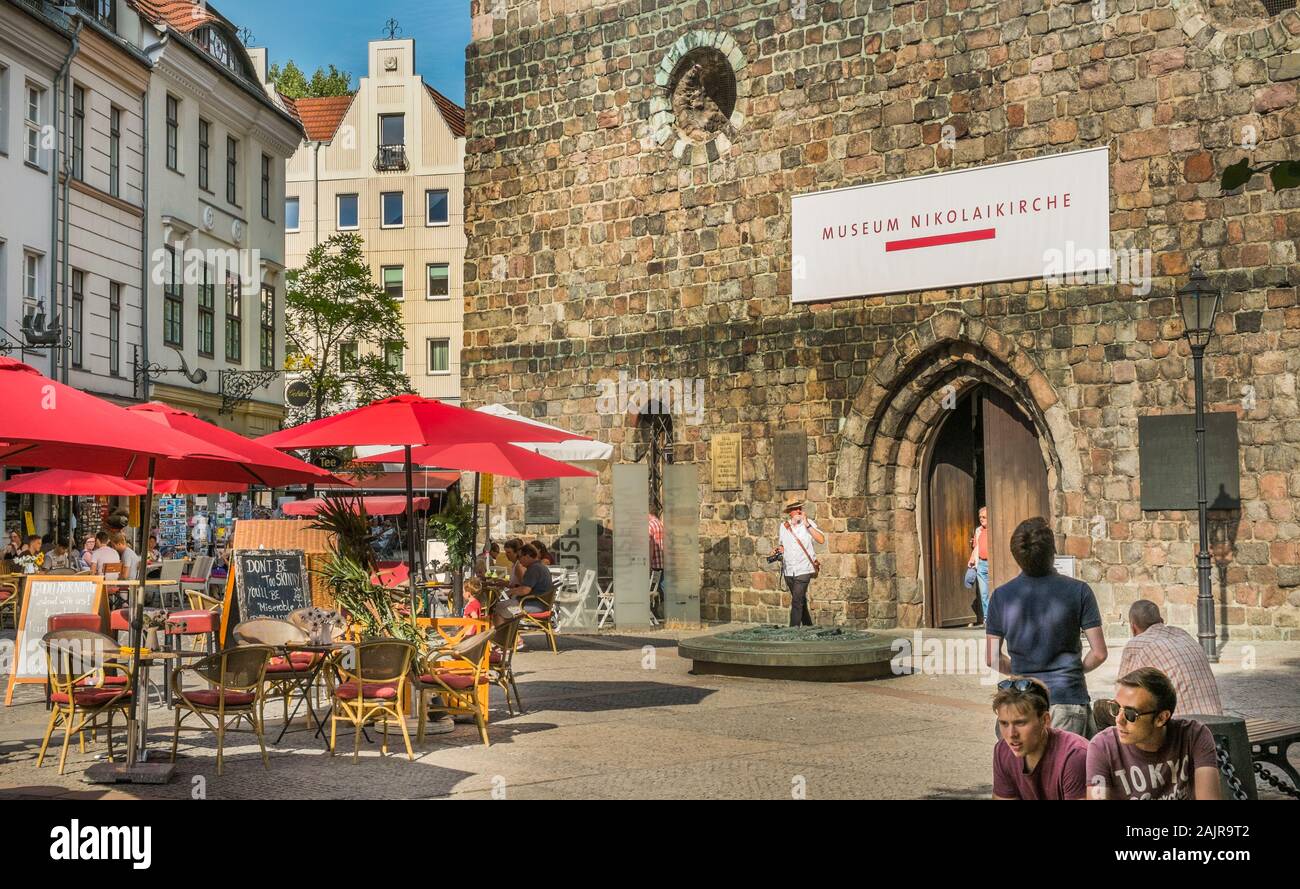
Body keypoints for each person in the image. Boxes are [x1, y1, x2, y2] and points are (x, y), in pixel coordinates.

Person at [986, 516, 1107, 738]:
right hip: (1068, 698)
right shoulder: (1079, 591)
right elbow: (1099, 653)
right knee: (1066, 770)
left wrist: (1020, 671)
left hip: (1022, 702)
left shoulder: (1000, 597)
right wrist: (1073, 670)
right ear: (1053, 552)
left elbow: (992, 658)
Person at [1086, 667, 1221, 800]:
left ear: (1161, 718)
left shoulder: (1194, 736)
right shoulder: (1102, 747)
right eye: (1115, 708)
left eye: (1130, 714)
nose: (1118, 720)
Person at [1096, 600, 1222, 726]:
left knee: (1101, 709)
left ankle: (1114, 745)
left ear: (1133, 627)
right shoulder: (1183, 634)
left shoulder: (1138, 645)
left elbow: (1121, 696)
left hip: (1180, 727)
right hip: (1216, 721)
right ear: (1161, 620)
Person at [992, 677, 1089, 800]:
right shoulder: (1003, 751)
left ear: (1045, 720)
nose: (1011, 734)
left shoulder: (1075, 756)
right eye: (1004, 723)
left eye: (1020, 723)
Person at [771, 499, 826, 627]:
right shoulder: (784, 526)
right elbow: (783, 545)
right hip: (789, 570)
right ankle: (808, 626)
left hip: (804, 569)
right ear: (790, 512)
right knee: (800, 600)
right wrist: (778, 550)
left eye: (800, 508)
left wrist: (807, 524)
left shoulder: (808, 524)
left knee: (796, 601)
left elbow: (821, 539)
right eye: (796, 509)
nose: (799, 511)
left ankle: (793, 631)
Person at [967, 506, 990, 624]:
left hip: (992, 563)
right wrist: (972, 560)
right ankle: (987, 618)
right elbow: (976, 547)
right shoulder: (978, 530)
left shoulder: (993, 529)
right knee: (984, 593)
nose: (981, 519)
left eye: (984, 516)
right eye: (980, 517)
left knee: (995, 591)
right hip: (981, 563)